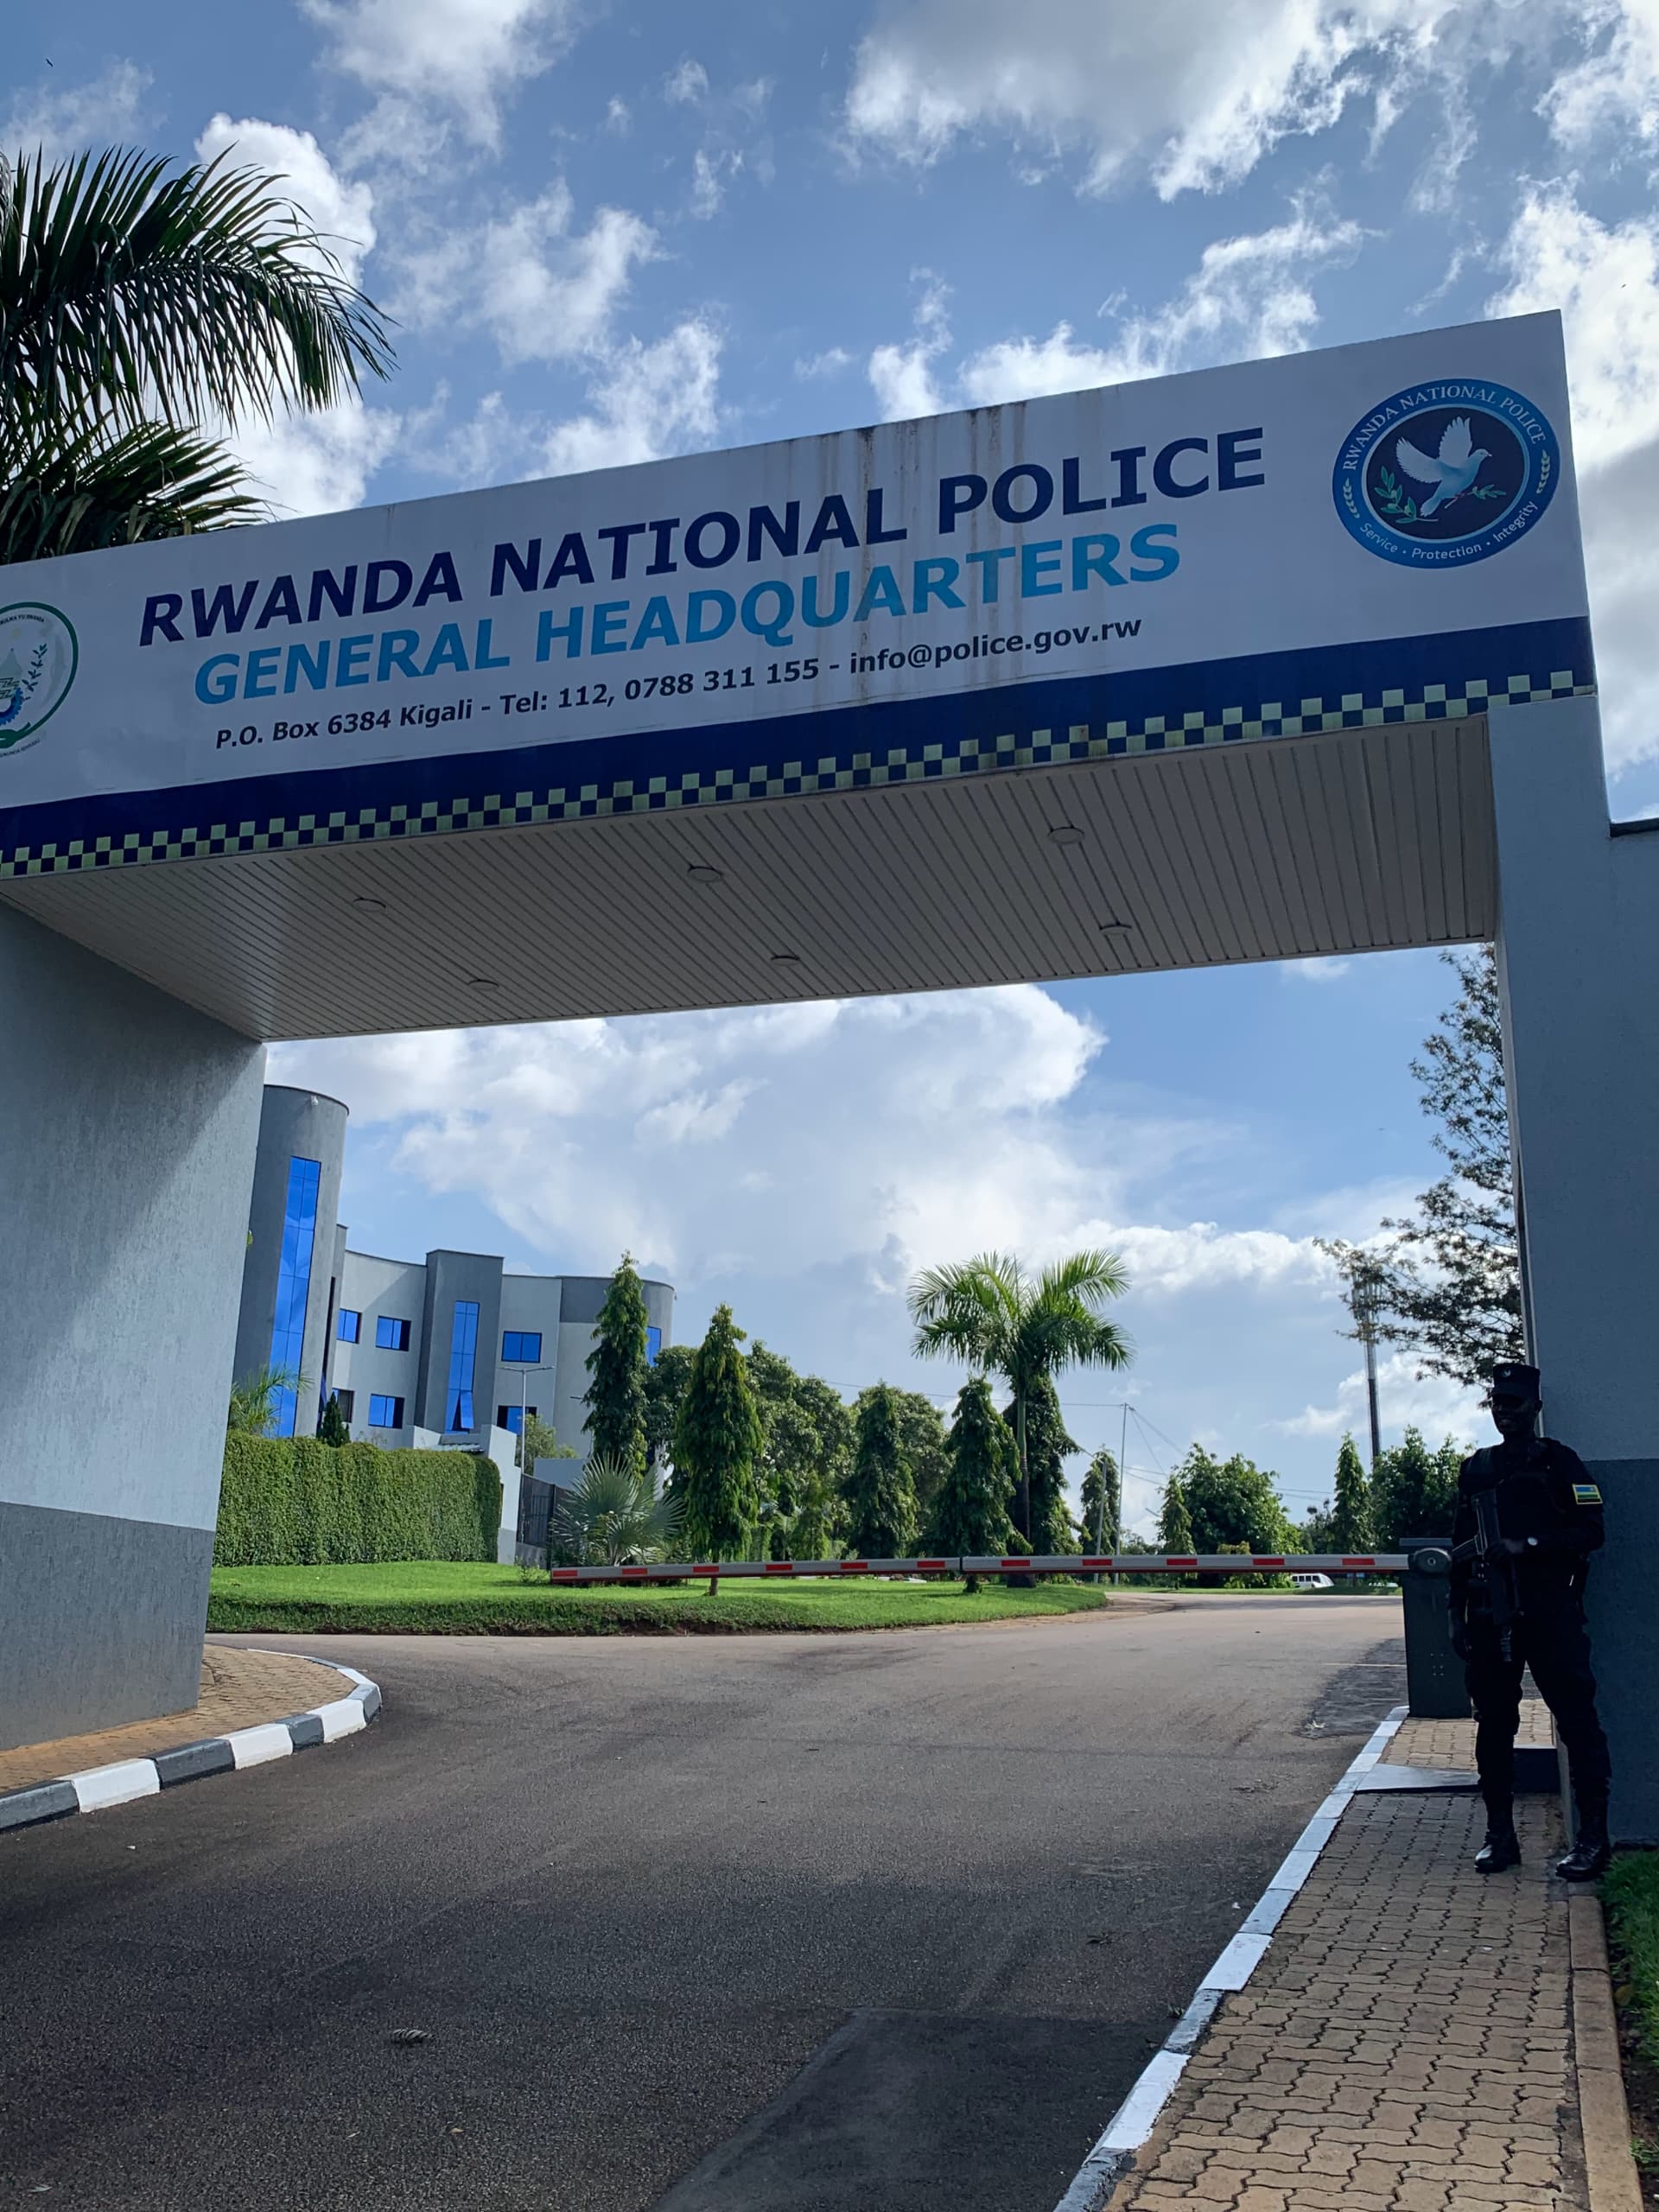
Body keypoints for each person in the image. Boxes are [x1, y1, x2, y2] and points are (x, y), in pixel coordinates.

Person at [1449, 1361, 1611, 1880]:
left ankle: (1593, 1838)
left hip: (1550, 1612)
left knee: (1577, 1722)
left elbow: (1591, 1532)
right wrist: (1456, 1614)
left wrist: (1528, 1546)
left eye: (1515, 1404)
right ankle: (1500, 1836)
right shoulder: (1477, 1468)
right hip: (1491, 1615)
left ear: (1535, 1408)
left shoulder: (1561, 1464)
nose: (1505, 1413)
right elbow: (1457, 1548)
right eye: (1498, 1403)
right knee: (1494, 1725)